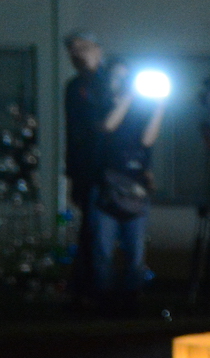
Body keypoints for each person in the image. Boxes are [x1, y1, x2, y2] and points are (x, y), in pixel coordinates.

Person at [90, 59, 164, 317]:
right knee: (103, 249)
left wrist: (158, 108)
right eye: (116, 78)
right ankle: (103, 301)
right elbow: (108, 126)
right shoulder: (100, 104)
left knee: (135, 250)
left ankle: (131, 300)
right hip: (105, 186)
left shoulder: (140, 109)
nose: (121, 83)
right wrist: (126, 98)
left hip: (135, 188)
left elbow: (147, 140)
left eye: (126, 78)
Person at [62, 31, 111, 307]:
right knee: (90, 229)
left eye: (83, 48)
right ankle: (88, 287)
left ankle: (89, 288)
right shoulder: (73, 87)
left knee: (96, 230)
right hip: (86, 168)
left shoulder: (112, 81)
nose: (78, 54)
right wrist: (71, 173)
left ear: (98, 49)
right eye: (73, 50)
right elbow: (71, 131)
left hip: (110, 165)